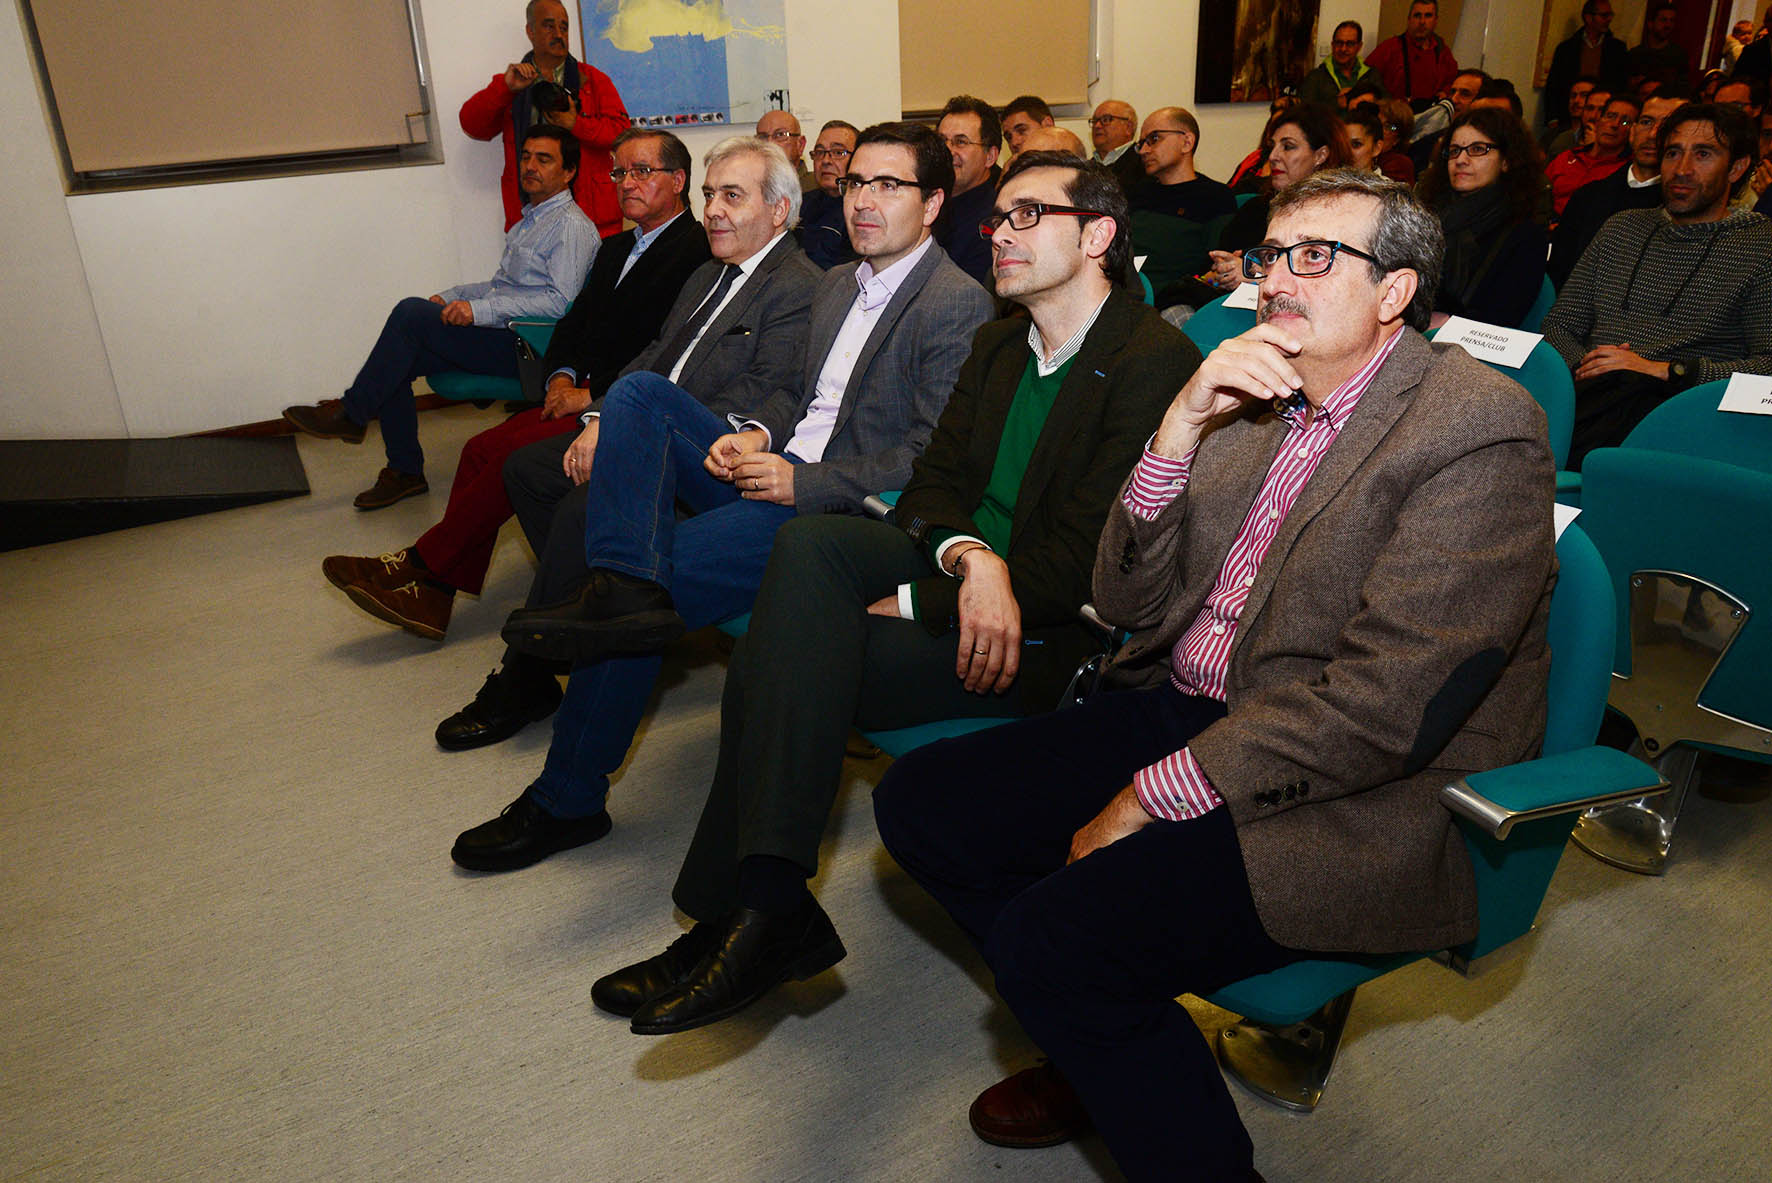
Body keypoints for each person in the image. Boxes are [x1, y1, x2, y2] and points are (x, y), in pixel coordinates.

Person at [873, 167, 1556, 1182]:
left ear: (1394, 292)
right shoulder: (1245, 394)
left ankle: (1100, 1026)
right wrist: (1177, 428)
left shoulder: (1474, 426)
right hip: (1190, 704)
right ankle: (1100, 1032)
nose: (1278, 276)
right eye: (1272, 253)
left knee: (1058, 940)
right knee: (923, 805)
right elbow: (1126, 601)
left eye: (1315, 256)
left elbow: (1384, 706)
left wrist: (1150, 797)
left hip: (1359, 786)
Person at [587, 152, 1201, 1038]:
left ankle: (747, 915)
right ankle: (759, 913)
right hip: (966, 576)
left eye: (1030, 214)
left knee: (779, 654)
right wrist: (963, 559)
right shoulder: (1000, 343)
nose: (1002, 232)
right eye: (1001, 216)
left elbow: (1083, 569)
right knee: (809, 548)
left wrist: (922, 602)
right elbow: (931, 488)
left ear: (1099, 235)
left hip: (1044, 637)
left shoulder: (1152, 362)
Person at [450, 122, 993, 872]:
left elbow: (931, 457)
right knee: (639, 395)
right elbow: (798, 394)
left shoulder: (954, 302)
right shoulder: (842, 283)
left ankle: (564, 797)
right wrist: (761, 435)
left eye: (889, 185)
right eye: (856, 182)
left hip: (840, 515)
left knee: (645, 592)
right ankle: (618, 585)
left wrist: (801, 479)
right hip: (773, 473)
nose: (865, 200)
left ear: (933, 204)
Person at [429, 137, 821, 752]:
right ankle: (596, 605)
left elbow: (767, 393)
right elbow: (653, 356)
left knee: (584, 507)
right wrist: (599, 418)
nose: (713, 209)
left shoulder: (800, 286)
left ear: (778, 211)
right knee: (529, 468)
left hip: (710, 452)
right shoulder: (706, 273)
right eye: (711, 195)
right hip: (644, 419)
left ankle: (526, 674)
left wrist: (628, 423)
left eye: (732, 197)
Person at [318, 129, 710, 639]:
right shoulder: (615, 248)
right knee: (479, 448)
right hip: (580, 389)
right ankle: (434, 596)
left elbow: (671, 348)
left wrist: (590, 394)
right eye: (619, 172)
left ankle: (418, 566)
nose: (626, 183)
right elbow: (572, 322)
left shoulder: (697, 251)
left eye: (642, 171)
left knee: (507, 459)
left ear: (678, 181)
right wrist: (563, 373)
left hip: (627, 401)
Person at [283, 125, 596, 510]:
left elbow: (559, 304)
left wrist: (477, 310)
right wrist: (453, 297)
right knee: (398, 357)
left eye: (544, 159)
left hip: (532, 348)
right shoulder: (530, 221)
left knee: (410, 313)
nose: (530, 166)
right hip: (504, 334)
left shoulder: (572, 227)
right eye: (527, 156)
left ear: (569, 172)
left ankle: (353, 413)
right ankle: (405, 472)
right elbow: (503, 286)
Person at [1542, 102, 1772, 466]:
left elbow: (1769, 365)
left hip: (1682, 413)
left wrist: (1665, 370)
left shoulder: (1760, 246)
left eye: (1704, 154)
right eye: (1673, 153)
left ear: (1737, 168)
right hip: (1589, 396)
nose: (1682, 169)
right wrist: (1595, 366)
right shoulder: (1623, 228)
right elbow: (1559, 324)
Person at [459, 0, 629, 234]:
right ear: (530, 31)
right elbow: (472, 126)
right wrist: (505, 89)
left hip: (591, 219)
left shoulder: (593, 80)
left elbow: (622, 134)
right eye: (549, 26)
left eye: (564, 27)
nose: (559, 34)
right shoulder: (513, 81)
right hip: (529, 216)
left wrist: (576, 124)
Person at [1189, 106, 1351, 305]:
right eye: (1272, 147)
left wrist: (1256, 276)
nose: (1273, 156)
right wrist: (1224, 271)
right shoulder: (1256, 208)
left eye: (1288, 146)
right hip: (1227, 306)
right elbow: (1211, 271)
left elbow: (1330, 290)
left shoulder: (1341, 218)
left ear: (1321, 155)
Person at [1417, 109, 1547, 329]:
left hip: (1474, 350)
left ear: (1506, 160)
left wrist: (1447, 324)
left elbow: (1502, 319)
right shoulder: (1426, 217)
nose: (1461, 160)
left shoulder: (1525, 235)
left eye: (1477, 149)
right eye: (1454, 151)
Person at [1549, 92, 1681, 288]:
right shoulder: (1589, 196)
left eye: (1667, 126)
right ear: (1633, 131)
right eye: (1646, 122)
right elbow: (1559, 271)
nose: (1653, 134)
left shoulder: (1682, 206)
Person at [1126, 107, 1238, 295]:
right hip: (1124, 292)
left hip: (1177, 299)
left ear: (1187, 142)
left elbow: (1218, 268)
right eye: (1142, 143)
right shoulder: (1136, 192)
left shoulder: (1215, 197)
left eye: (1154, 139)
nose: (1144, 150)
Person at [934, 95, 1003, 285]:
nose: (947, 151)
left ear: (990, 156)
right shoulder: (926, 204)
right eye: (942, 141)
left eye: (960, 142)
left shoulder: (995, 222)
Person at [1545, 92, 1637, 217]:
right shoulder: (1568, 157)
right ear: (1598, 120)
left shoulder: (1629, 170)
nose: (1615, 125)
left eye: (1625, 122)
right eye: (1610, 116)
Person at [1545, 1, 1628, 136]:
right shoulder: (1567, 48)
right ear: (1589, 18)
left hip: (1604, 116)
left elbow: (1622, 84)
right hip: (1568, 118)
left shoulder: (1617, 49)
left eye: (1610, 15)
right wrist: (1552, 118)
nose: (1609, 19)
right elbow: (1554, 85)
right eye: (1604, 15)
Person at [1364, 0, 1459, 104]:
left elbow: (1453, 81)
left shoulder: (1442, 51)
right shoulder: (1389, 48)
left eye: (1428, 16)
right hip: (1396, 116)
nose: (1422, 21)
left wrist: (1445, 93)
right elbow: (1366, 82)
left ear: (1436, 20)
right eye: (1417, 15)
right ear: (1409, 19)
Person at [798, 120, 861, 269]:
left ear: (859, 158)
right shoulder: (800, 205)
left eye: (838, 152)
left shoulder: (863, 209)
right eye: (819, 153)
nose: (825, 161)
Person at [1301, 21, 1380, 110]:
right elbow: (1304, 111)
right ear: (1332, 45)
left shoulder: (1371, 75)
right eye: (1339, 43)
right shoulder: (1316, 76)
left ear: (1359, 46)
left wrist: (1365, 99)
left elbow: (1386, 107)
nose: (1343, 49)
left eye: (1350, 44)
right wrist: (1336, 103)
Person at [1627, 3, 1691, 95]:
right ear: (1650, 24)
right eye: (1663, 20)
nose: (1668, 25)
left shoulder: (1678, 55)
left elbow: (1683, 89)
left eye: (1672, 21)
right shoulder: (1635, 54)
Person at [1088, 100, 1143, 192]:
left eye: (1106, 120)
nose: (1097, 126)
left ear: (1128, 128)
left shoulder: (1143, 163)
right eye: (1094, 121)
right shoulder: (1086, 168)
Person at [757, 109, 815, 192]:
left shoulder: (817, 188)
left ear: (800, 145)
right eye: (763, 137)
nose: (770, 143)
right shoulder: (751, 187)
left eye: (780, 135)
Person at [1545, 76, 1600, 154]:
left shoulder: (1601, 138)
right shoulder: (1554, 135)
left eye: (1584, 95)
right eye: (1573, 96)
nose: (1576, 101)